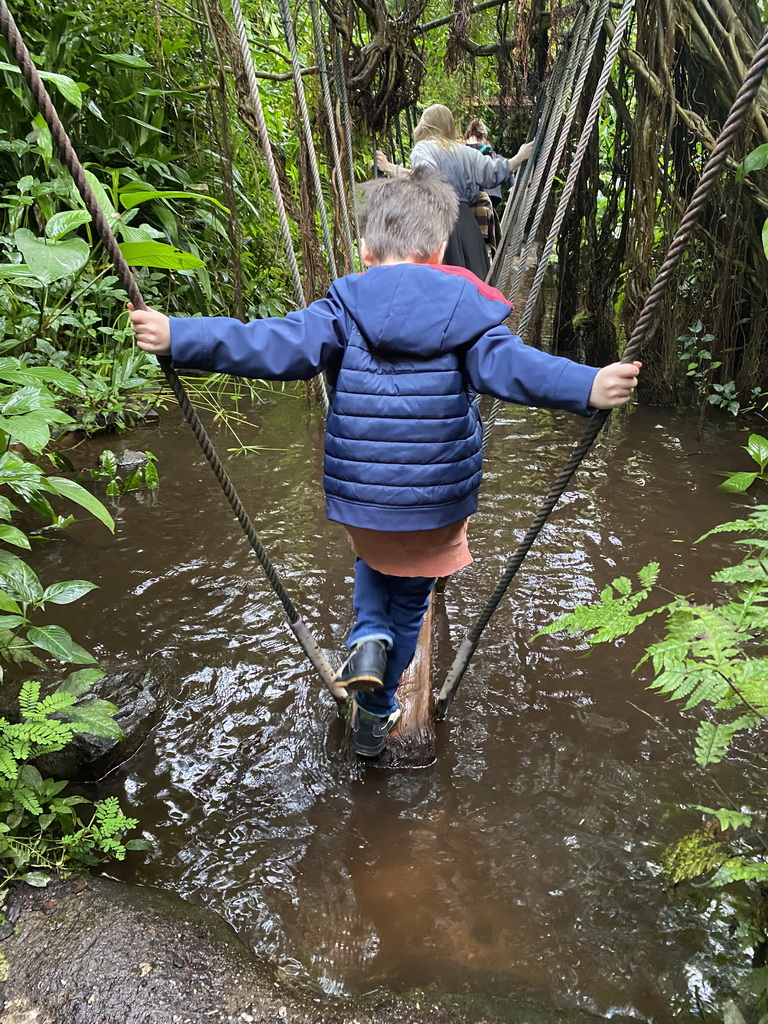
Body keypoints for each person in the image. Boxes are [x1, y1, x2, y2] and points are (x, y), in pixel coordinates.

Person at [128, 168, 640, 759]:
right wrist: (589, 385)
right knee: (413, 601)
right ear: (442, 251)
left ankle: (365, 634)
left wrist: (179, 335)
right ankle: (375, 713)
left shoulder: (342, 306)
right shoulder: (468, 312)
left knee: (373, 550)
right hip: (435, 502)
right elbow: (517, 369)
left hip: (363, 496)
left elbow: (267, 342)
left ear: (367, 251)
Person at [376, 104, 532, 278]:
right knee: (473, 281)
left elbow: (425, 176)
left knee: (439, 281)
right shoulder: (467, 153)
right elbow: (493, 174)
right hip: (467, 224)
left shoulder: (423, 149)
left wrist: (392, 170)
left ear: (425, 124)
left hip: (438, 221)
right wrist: (519, 157)